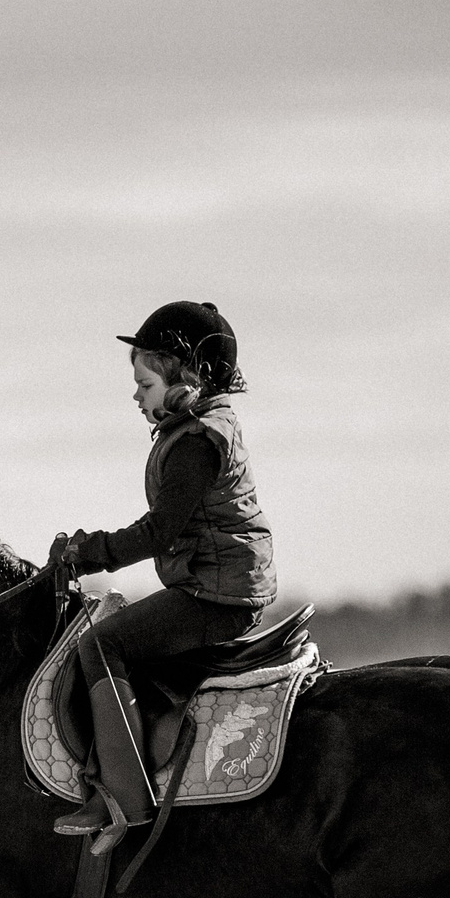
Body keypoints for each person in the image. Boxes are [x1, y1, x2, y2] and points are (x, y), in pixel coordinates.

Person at [50, 301, 276, 852]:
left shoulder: (197, 441)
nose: (136, 396)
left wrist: (89, 552)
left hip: (217, 596)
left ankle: (124, 801)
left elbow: (158, 531)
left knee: (101, 645)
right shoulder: (192, 428)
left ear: (186, 378)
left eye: (145, 384)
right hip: (214, 586)